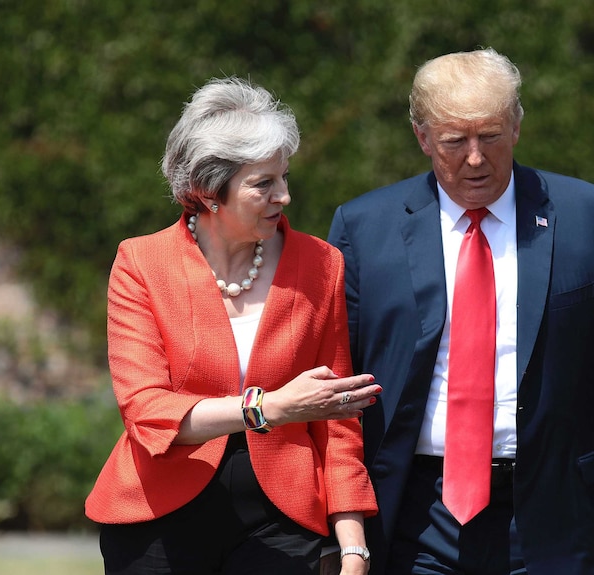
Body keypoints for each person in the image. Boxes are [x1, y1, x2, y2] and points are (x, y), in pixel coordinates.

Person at [327, 48, 594, 575]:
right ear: (423, 138)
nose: (475, 158)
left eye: (490, 136)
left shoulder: (588, 217)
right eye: (454, 141)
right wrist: (345, 522)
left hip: (558, 513)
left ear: (516, 126)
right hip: (414, 513)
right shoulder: (363, 229)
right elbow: (338, 385)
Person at [86, 76, 380, 575]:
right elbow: (147, 410)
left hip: (282, 516)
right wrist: (269, 408)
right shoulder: (141, 263)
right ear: (207, 191)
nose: (283, 195)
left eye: (284, 177)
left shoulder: (321, 264)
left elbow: (338, 416)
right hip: (157, 513)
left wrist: (352, 542)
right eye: (264, 183)